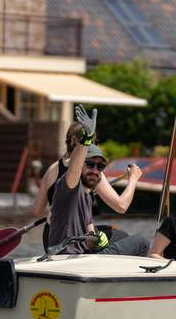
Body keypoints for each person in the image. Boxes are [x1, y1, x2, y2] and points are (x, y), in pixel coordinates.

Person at [48, 105, 150, 256]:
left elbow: (89, 237)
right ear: (80, 164)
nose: (95, 171)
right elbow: (74, 169)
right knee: (141, 242)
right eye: (90, 164)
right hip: (68, 257)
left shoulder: (88, 192)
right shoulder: (69, 184)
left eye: (100, 166)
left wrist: (96, 239)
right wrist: (87, 139)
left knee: (121, 235)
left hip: (84, 254)